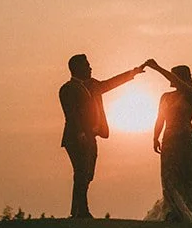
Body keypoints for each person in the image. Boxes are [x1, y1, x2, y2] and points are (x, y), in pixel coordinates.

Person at [59, 53, 145, 218]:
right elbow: (71, 114)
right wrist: (80, 133)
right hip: (76, 138)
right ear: (77, 68)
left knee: (87, 174)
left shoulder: (93, 85)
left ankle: (77, 210)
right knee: (81, 172)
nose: (90, 68)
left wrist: (133, 72)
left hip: (92, 136)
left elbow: (112, 83)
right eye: (87, 65)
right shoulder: (67, 89)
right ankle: (81, 212)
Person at [141, 59, 192, 225]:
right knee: (170, 177)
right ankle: (174, 211)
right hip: (169, 141)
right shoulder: (165, 97)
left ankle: (191, 212)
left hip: (186, 140)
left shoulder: (190, 94)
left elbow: (184, 86)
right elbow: (160, 118)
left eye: (173, 76)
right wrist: (155, 137)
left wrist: (158, 68)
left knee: (190, 176)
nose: (170, 80)